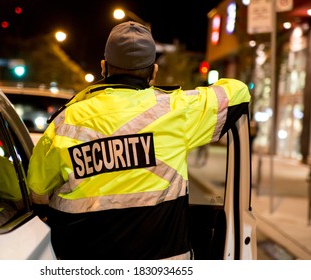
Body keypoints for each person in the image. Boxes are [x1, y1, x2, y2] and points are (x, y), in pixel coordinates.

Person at [27, 21, 251, 260]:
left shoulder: (65, 122)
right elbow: (238, 92)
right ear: (153, 72)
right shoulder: (177, 111)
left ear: (104, 67)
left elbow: (37, 192)